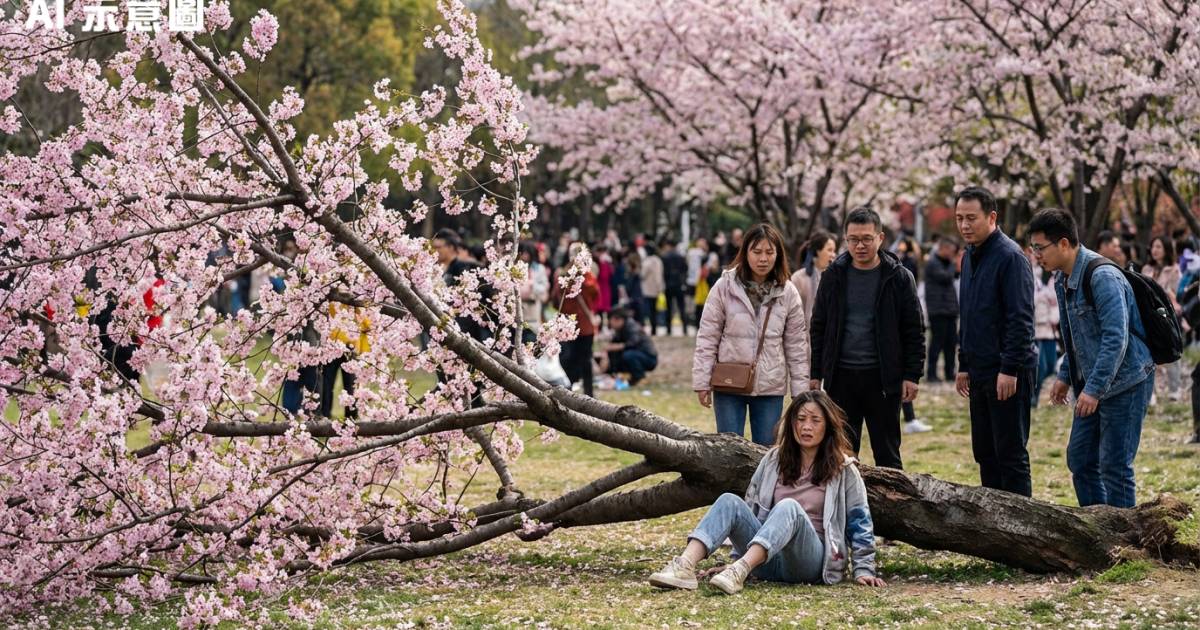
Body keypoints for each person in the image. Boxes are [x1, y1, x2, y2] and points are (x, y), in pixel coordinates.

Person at [647, 390, 884, 594]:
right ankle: (684, 566)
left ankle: (739, 571)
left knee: (788, 507)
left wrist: (863, 569)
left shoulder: (843, 469)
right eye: (800, 419)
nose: (806, 427)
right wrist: (736, 556)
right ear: (791, 424)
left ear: (828, 426)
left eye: (815, 420)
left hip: (809, 562)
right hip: (766, 558)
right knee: (729, 500)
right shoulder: (773, 459)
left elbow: (860, 521)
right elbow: (750, 508)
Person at [1031, 209, 1155, 508]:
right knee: (1081, 460)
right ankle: (1097, 528)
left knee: (1115, 466)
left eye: (1040, 248)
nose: (1036, 255)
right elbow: (1074, 336)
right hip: (1091, 382)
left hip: (1127, 380)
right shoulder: (1062, 279)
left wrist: (1093, 389)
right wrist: (1064, 377)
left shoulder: (1103, 277)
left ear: (1063, 244)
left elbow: (1116, 338)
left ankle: (1124, 541)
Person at [809, 207, 926, 469]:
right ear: (845, 239)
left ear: (880, 238)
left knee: (887, 452)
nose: (859, 245)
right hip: (841, 377)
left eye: (866, 239)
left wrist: (912, 375)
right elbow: (819, 326)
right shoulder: (833, 276)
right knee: (842, 454)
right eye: (853, 239)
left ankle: (893, 506)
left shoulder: (898, 276)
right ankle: (846, 508)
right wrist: (816, 372)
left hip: (884, 378)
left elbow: (914, 329)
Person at [693, 223, 810, 445]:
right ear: (745, 252)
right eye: (757, 252)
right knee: (728, 450)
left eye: (769, 252)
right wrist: (702, 381)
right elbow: (708, 336)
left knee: (765, 452)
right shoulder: (724, 287)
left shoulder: (787, 292)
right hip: (729, 382)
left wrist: (800, 390)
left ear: (778, 254)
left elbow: (796, 344)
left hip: (770, 385)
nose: (763, 258)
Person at [954, 186, 1036, 497]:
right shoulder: (969, 256)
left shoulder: (1010, 257)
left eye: (971, 218)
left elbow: (1020, 319)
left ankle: (1021, 531)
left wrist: (1010, 368)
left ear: (991, 217)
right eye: (959, 218)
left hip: (1007, 371)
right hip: (979, 370)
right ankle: (994, 527)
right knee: (985, 452)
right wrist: (964, 364)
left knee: (1010, 454)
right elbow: (970, 313)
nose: (964, 225)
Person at [553, 243, 600, 397]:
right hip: (581, 325)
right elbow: (595, 295)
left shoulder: (565, 274)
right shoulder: (588, 276)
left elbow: (556, 298)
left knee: (569, 359)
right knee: (582, 360)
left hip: (571, 324)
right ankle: (586, 392)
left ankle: (571, 390)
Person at [1143, 236, 1183, 402]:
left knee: (1171, 352)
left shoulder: (1174, 270)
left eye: (1158, 246)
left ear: (1166, 249)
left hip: (1167, 317)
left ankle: (1175, 389)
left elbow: (1176, 294)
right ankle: (1151, 392)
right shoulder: (1146, 269)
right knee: (1149, 354)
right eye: (1153, 246)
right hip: (1149, 316)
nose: (1155, 250)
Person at [924, 237, 959, 383]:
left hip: (950, 310)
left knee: (951, 344)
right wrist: (953, 264)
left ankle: (950, 373)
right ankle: (931, 374)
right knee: (936, 343)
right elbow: (945, 277)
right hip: (938, 310)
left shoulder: (945, 263)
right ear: (943, 249)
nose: (952, 254)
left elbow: (955, 276)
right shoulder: (933, 262)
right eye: (951, 251)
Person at [1029, 245, 1060, 408]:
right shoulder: (1032, 279)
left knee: (1050, 366)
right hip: (1037, 330)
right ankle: (1033, 395)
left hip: (1051, 329)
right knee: (1040, 366)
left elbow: (1056, 304)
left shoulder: (1054, 279)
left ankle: (1033, 392)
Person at [601, 307, 657, 385]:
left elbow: (633, 343)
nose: (610, 324)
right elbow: (613, 345)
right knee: (616, 353)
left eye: (611, 320)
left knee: (628, 355)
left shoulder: (632, 327)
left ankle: (639, 377)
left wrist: (617, 346)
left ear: (617, 319)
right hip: (637, 355)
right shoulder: (620, 329)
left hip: (649, 358)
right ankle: (616, 375)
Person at [790, 231, 836, 324]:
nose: (833, 254)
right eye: (829, 250)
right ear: (818, 251)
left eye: (834, 251)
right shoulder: (798, 278)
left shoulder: (835, 278)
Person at [660, 237, 690, 335]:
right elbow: (685, 270)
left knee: (669, 307)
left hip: (668, 285)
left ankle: (668, 329)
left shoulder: (665, 257)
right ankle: (684, 328)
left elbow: (663, 272)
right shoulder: (681, 257)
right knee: (681, 307)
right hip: (679, 285)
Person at [640, 242, 664, 336]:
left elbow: (643, 274)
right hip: (657, 289)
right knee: (654, 310)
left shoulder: (647, 262)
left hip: (647, 289)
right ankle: (654, 329)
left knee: (649, 310)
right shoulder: (658, 261)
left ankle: (651, 328)